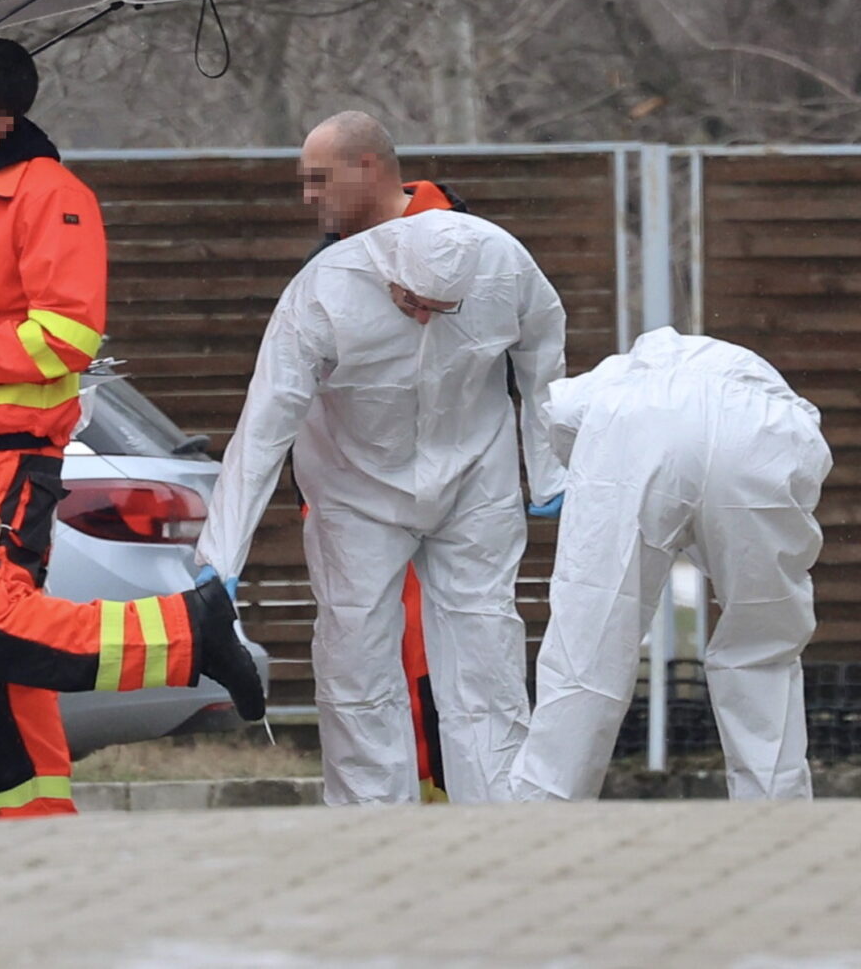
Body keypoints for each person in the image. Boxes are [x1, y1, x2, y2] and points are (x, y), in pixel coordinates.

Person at [0, 39, 263, 820]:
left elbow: (67, 335)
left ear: (3, 121)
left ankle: (186, 633)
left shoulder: (52, 196)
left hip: (12, 450)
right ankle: (37, 824)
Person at [198, 204, 567, 804]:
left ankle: (500, 818)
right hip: (354, 486)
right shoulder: (323, 293)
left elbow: (543, 351)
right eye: (411, 302)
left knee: (487, 649)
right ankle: (372, 822)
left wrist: (548, 466)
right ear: (388, 267)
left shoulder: (505, 266)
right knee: (356, 651)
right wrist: (223, 551)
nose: (422, 317)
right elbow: (266, 424)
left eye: (441, 310)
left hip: (474, 469)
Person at [510, 329, 832, 802]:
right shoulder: (772, 396)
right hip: (761, 431)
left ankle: (538, 815)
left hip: (634, 427)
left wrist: (567, 483)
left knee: (588, 642)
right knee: (764, 645)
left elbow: (556, 415)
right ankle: (777, 815)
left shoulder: (601, 389)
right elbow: (805, 467)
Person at [295, 110, 474, 802]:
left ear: (365, 168)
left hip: (430, 490)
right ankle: (384, 814)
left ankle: (447, 794)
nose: (309, 197)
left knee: (431, 651)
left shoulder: (462, 245)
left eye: (318, 180)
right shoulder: (330, 263)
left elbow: (513, 356)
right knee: (361, 662)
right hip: (346, 497)